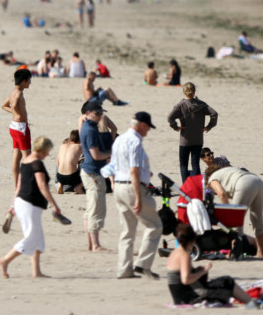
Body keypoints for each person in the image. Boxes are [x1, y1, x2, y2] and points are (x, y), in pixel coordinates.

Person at [0, 136, 65, 278]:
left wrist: (12, 205)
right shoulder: (36, 164)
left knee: (38, 239)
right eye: (47, 151)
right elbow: (42, 186)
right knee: (32, 237)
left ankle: (37, 272)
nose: (48, 155)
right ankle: (5, 260)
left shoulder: (26, 161)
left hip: (22, 203)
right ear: (42, 150)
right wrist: (54, 205)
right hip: (29, 204)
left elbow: (18, 185)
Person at [112, 111, 162, 279]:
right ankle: (142, 264)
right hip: (132, 188)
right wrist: (139, 198)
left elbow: (114, 166)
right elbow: (133, 170)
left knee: (127, 231)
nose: (148, 131)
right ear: (142, 125)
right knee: (154, 225)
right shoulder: (135, 142)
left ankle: (124, 270)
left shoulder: (119, 139)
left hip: (119, 186)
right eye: (147, 127)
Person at [201, 154, 263, 258]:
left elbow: (222, 194)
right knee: (257, 218)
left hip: (244, 183)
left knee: (235, 222)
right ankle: (260, 253)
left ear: (208, 176)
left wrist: (227, 212)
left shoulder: (212, 178)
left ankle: (235, 252)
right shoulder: (227, 171)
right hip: (258, 182)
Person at [166, 224, 252, 306]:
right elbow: (186, 279)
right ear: (191, 241)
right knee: (228, 282)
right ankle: (251, 302)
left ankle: (250, 301)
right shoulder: (184, 255)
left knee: (222, 282)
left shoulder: (174, 253)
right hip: (189, 297)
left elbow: (180, 276)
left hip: (178, 296)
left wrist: (197, 271)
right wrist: (203, 271)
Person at [167, 83, 218, 184]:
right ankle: (196, 186)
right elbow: (214, 114)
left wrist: (176, 127)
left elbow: (170, 118)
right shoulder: (201, 105)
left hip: (185, 140)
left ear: (184, 92)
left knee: (183, 165)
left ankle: (186, 187)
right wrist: (209, 126)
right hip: (198, 139)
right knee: (195, 164)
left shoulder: (181, 105)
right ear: (194, 92)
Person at [79, 101, 112, 252]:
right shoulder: (90, 130)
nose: (100, 116)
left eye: (101, 113)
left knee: (91, 209)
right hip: (93, 172)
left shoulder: (89, 127)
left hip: (89, 171)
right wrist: (112, 154)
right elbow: (96, 155)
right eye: (97, 113)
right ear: (88, 113)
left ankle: (91, 244)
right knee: (96, 209)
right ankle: (95, 245)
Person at [2, 68, 33, 189]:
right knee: (27, 157)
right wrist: (18, 114)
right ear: (23, 81)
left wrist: (14, 113)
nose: (30, 82)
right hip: (20, 127)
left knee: (16, 156)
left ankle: (17, 185)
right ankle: (26, 184)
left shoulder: (12, 92)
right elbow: (14, 105)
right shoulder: (19, 93)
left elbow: (4, 106)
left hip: (13, 127)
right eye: (29, 80)